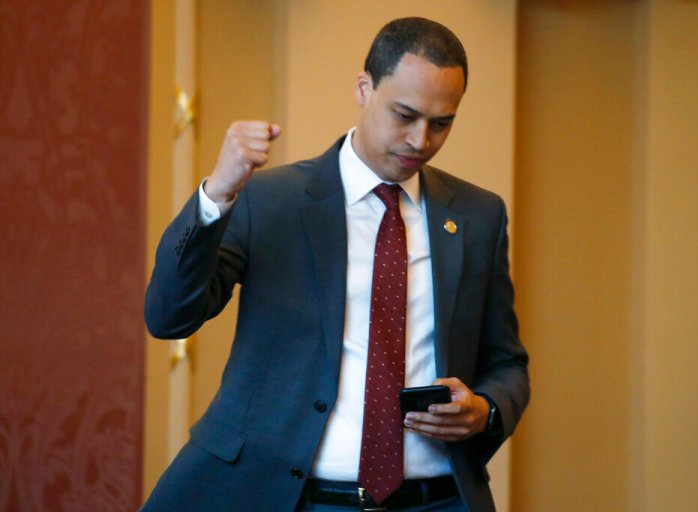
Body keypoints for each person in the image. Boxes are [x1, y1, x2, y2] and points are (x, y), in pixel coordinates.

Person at [142, 17, 529, 512]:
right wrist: (217, 193)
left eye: (441, 123)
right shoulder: (269, 200)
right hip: (291, 498)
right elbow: (169, 316)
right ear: (364, 88)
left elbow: (507, 363)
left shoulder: (479, 215)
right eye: (404, 114)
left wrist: (486, 409)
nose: (420, 140)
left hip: (437, 500)